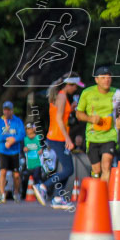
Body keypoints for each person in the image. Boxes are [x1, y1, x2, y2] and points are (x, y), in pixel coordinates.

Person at [33, 72, 81, 209]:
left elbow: (59, 115)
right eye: (75, 86)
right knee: (68, 169)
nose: (76, 89)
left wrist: (70, 109)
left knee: (66, 168)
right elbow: (59, 119)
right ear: (69, 85)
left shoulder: (61, 96)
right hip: (58, 137)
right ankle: (43, 186)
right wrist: (68, 139)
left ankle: (59, 197)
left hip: (56, 136)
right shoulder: (61, 96)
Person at [76, 66, 120, 182]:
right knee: (96, 171)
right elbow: (78, 114)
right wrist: (91, 119)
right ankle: (97, 192)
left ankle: (104, 197)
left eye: (108, 77)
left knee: (106, 166)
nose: (106, 80)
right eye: (103, 78)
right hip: (92, 136)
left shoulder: (117, 93)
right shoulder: (87, 93)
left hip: (110, 135)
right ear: (96, 80)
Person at [0, 101, 24, 203]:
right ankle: (2, 193)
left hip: (14, 151)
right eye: (5, 110)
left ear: (12, 110)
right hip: (3, 150)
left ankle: (16, 193)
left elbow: (22, 134)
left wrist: (13, 140)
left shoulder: (17, 121)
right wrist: (6, 139)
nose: (6, 112)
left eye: (8, 110)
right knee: (3, 172)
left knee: (16, 175)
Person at [21, 123, 46, 204]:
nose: (28, 130)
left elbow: (43, 147)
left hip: (37, 163)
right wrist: (24, 149)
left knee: (37, 177)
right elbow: (22, 150)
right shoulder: (25, 139)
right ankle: (24, 195)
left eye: (30, 128)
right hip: (29, 164)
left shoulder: (38, 138)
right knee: (25, 179)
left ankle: (42, 193)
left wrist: (41, 150)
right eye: (27, 129)